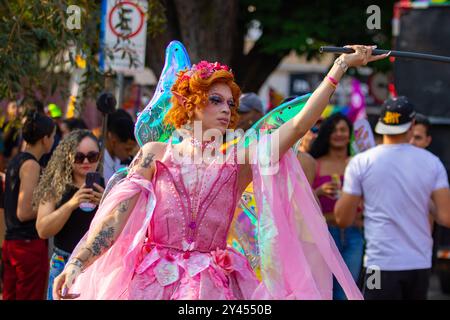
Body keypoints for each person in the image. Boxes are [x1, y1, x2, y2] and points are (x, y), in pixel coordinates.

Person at [53, 45, 388, 300]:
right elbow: (115, 219)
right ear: (191, 103)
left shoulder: (238, 158)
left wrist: (339, 67)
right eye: (216, 100)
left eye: (230, 104)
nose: (227, 110)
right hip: (151, 283)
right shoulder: (155, 154)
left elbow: (298, 126)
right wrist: (77, 263)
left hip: (210, 287)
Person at [335, 96, 450, 300]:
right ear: (412, 125)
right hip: (418, 264)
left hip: (378, 264)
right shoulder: (432, 163)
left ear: (382, 123)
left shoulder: (361, 162)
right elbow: (446, 217)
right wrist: (422, 201)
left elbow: (342, 219)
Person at [33, 130, 105, 299]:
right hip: (63, 264)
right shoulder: (55, 186)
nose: (86, 161)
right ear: (68, 156)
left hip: (94, 264)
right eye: (79, 157)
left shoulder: (105, 184)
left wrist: (106, 203)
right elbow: (42, 230)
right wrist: (71, 204)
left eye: (92, 156)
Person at [2, 112, 56, 300]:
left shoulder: (16, 160)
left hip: (12, 243)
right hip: (27, 246)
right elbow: (24, 211)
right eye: (53, 136)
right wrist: (52, 208)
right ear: (45, 139)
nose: (54, 140)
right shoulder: (31, 165)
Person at [309, 113, 364, 300]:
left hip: (354, 232)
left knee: (346, 293)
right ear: (326, 134)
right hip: (323, 234)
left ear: (350, 134)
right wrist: (318, 191)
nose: (338, 134)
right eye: (333, 130)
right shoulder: (314, 163)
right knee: (323, 291)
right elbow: (301, 200)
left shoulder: (358, 163)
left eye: (343, 130)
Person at [103, 110, 137, 183]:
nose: (130, 154)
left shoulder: (120, 162)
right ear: (113, 141)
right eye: (127, 149)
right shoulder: (98, 163)